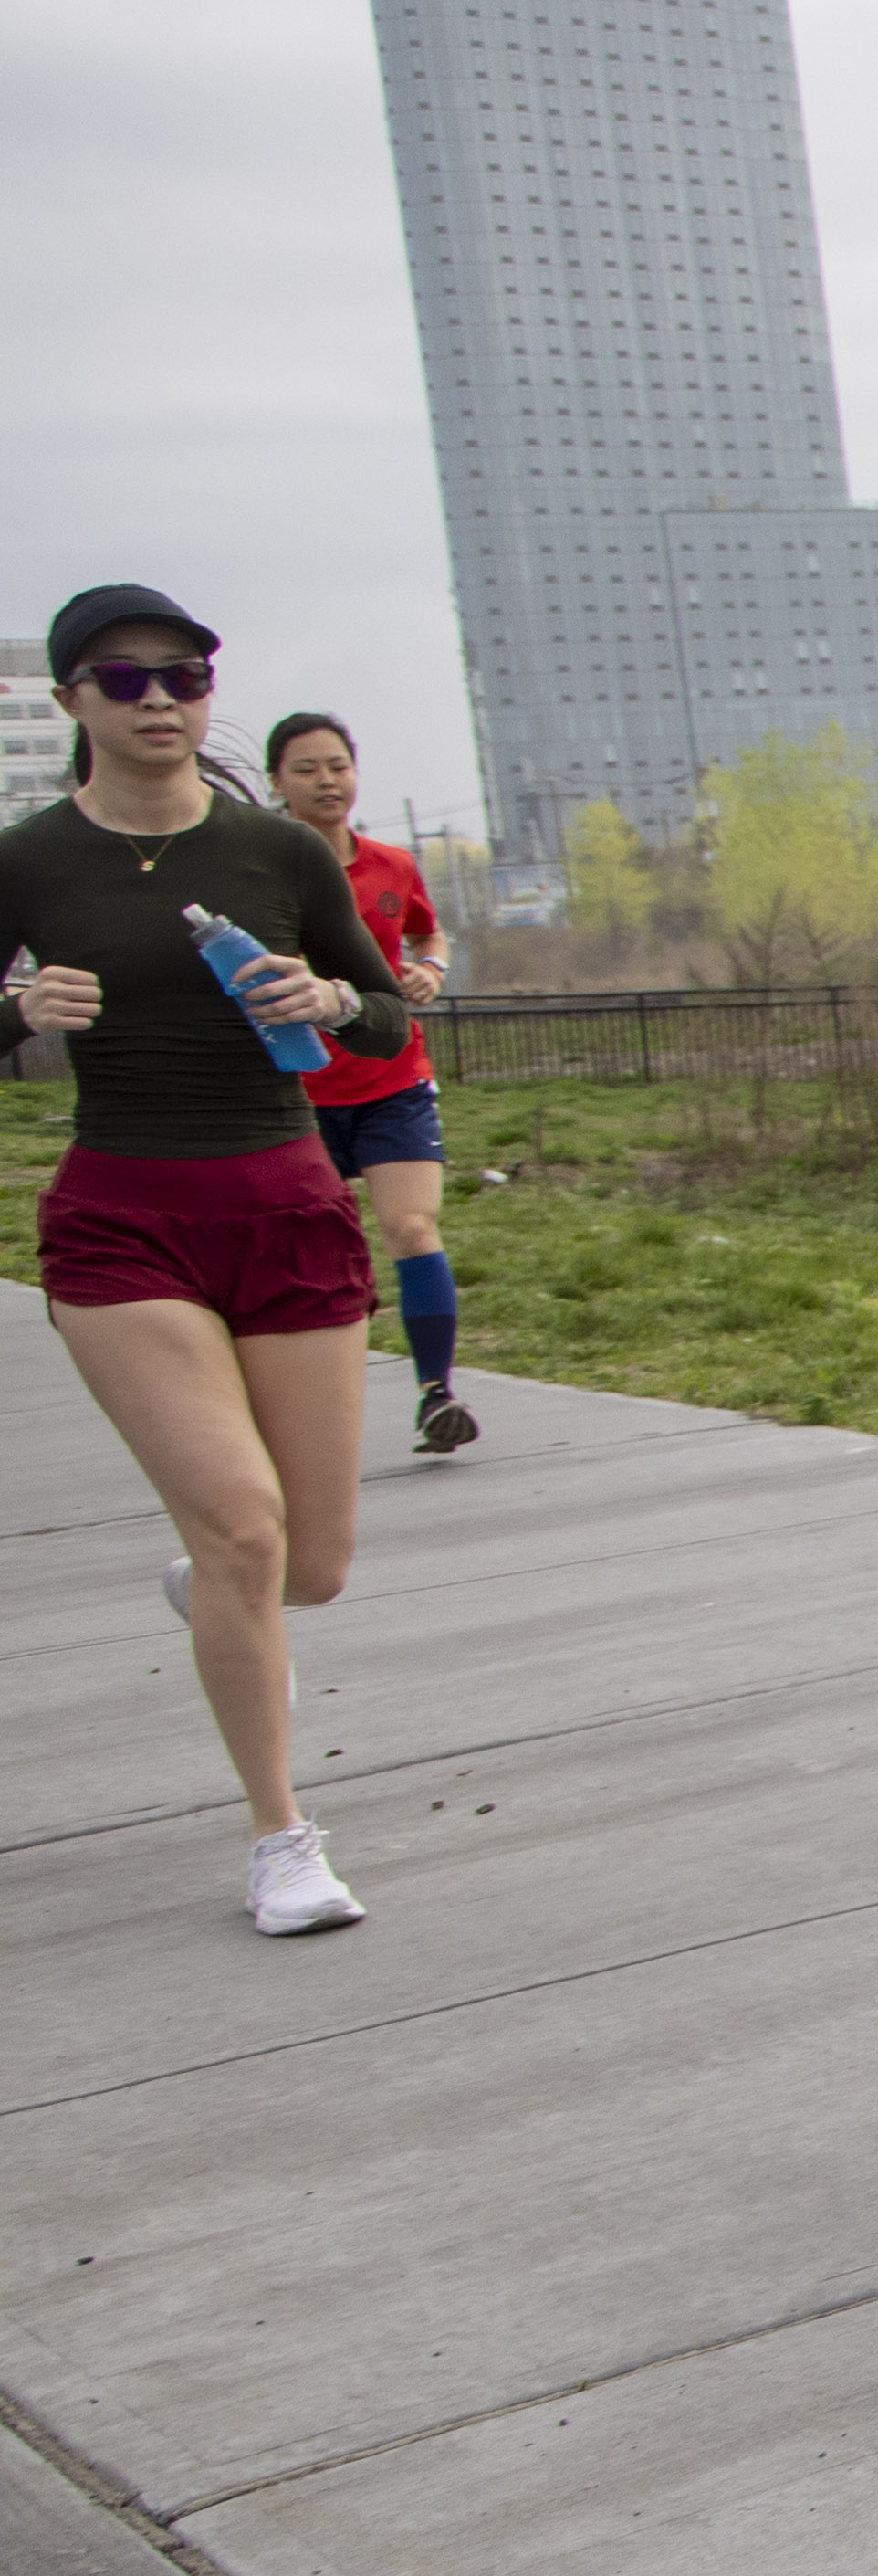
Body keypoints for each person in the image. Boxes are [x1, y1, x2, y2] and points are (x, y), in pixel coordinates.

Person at [5, 587, 416, 1934]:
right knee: (245, 1525)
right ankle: (282, 1839)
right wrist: (12, 1014)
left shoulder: (273, 852)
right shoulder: (28, 863)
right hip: (122, 1217)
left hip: (287, 1204)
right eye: (125, 680)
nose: (161, 699)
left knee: (309, 1568)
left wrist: (329, 996)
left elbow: (382, 1025)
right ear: (74, 700)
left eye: (183, 674)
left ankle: (216, 1590)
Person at [260, 710, 475, 1456]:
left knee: (413, 1228)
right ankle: (300, 1414)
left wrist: (430, 969)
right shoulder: (262, 870)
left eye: (338, 766)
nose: (327, 781)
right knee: (319, 1256)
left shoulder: (392, 865)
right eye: (307, 769)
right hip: (297, 1090)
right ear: (277, 785)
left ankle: (435, 1394)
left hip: (392, 1077)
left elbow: (428, 932)